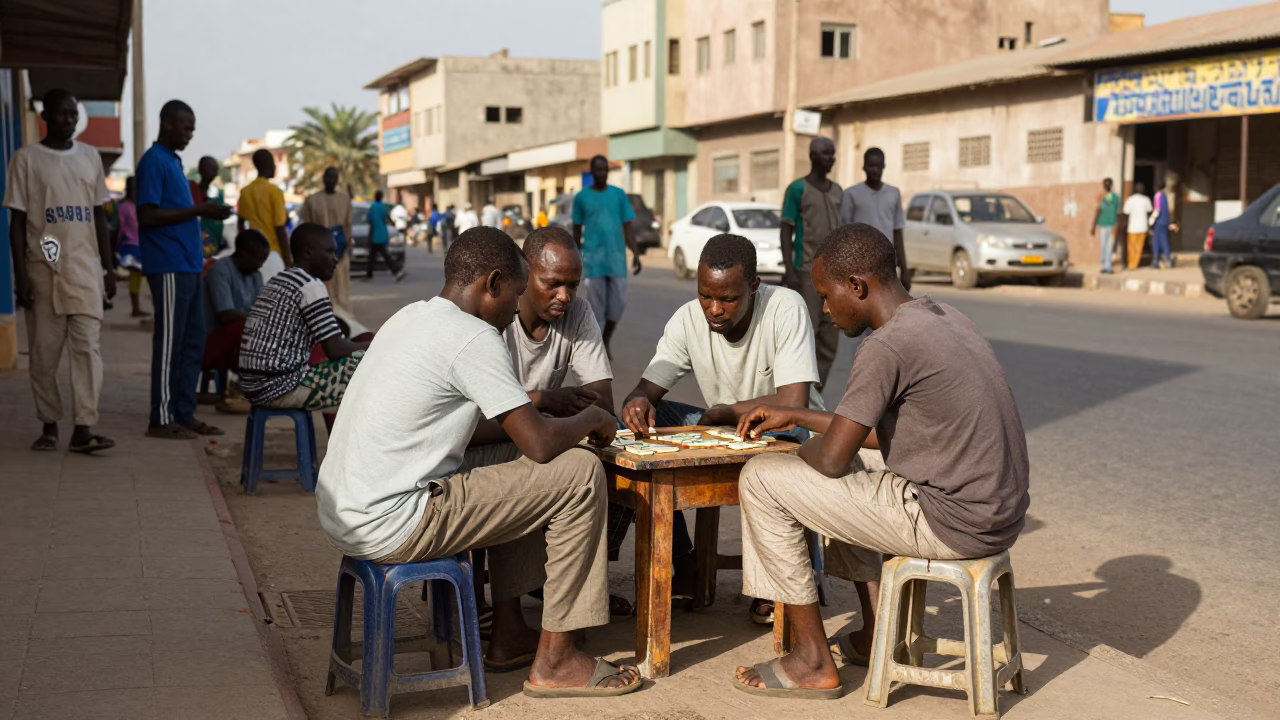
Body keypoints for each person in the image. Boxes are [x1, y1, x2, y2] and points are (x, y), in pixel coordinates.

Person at [316, 226, 641, 698]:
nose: (514, 308)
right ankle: (557, 659)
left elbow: (503, 437)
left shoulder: (413, 316)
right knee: (580, 471)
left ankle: (509, 633)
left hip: (346, 512)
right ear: (491, 284)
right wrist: (593, 417)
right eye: (514, 294)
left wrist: (548, 411)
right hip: (395, 521)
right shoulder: (472, 336)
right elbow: (542, 446)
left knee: (517, 462)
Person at [728, 223, 1030, 697]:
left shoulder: (886, 346)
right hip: (997, 516)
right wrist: (793, 413)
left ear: (858, 286)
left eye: (827, 296)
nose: (824, 310)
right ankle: (874, 636)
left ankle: (810, 661)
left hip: (952, 523)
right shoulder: (943, 318)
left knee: (763, 479)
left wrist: (788, 447)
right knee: (857, 474)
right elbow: (867, 432)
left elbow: (830, 459)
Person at [619, 233, 822, 623]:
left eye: (728, 299)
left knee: (772, 456)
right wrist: (637, 402)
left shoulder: (784, 308)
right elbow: (647, 387)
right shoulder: (687, 319)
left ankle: (777, 582)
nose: (714, 309)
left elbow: (793, 407)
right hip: (724, 425)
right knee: (633, 432)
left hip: (786, 433)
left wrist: (726, 412)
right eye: (705, 296)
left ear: (754, 286)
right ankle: (685, 563)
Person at [489, 226, 631, 616]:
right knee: (554, 468)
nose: (564, 296)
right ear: (524, 273)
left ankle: (570, 580)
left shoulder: (579, 311)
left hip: (539, 432)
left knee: (618, 462)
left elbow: (602, 403)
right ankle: (528, 608)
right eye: (553, 284)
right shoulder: (498, 315)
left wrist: (546, 412)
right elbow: (486, 415)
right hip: (496, 437)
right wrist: (544, 400)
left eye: (573, 284)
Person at [4, 88, 117, 453]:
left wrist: (108, 267)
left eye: (73, 115)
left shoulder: (90, 157)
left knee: (87, 349)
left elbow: (99, 214)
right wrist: (21, 276)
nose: (69, 121)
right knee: (44, 354)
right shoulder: (26, 159)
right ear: (46, 117)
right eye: (62, 114)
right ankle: (49, 423)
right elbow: (17, 221)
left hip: (85, 270)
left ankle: (84, 427)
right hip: (43, 269)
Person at [137, 99, 231, 439]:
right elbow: (147, 215)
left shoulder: (174, 163)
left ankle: (183, 412)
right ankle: (161, 417)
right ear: (166, 124)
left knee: (193, 343)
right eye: (185, 127)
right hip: (169, 265)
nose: (190, 134)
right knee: (170, 344)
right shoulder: (153, 162)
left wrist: (203, 210)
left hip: (189, 265)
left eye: (192, 128)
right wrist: (197, 211)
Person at [237, 223, 368, 410]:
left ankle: (340, 435)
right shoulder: (310, 286)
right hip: (279, 387)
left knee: (352, 365)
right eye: (330, 252)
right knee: (374, 364)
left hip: (255, 386)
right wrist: (381, 342)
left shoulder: (280, 279)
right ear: (308, 253)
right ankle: (360, 438)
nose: (336, 259)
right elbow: (336, 349)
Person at [781, 136, 842, 388]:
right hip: (807, 271)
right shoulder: (797, 190)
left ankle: (817, 393)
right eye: (826, 153)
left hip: (836, 274)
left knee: (831, 336)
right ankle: (799, 393)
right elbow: (786, 229)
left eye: (833, 153)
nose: (831, 158)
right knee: (808, 333)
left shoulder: (838, 191)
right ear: (813, 156)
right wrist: (790, 270)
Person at [573, 155, 641, 355]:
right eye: (598, 170)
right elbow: (577, 230)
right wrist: (574, 258)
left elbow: (628, 226)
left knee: (617, 306)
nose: (602, 173)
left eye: (605, 170)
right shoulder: (581, 198)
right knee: (595, 310)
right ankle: (595, 347)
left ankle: (605, 339)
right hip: (594, 262)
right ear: (591, 172)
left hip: (616, 262)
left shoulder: (618, 195)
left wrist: (636, 252)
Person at [201, 229, 270, 410]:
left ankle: (251, 386)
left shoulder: (255, 275)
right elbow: (225, 314)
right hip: (209, 339)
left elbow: (261, 311)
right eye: (258, 259)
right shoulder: (220, 270)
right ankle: (242, 387)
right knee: (244, 327)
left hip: (235, 339)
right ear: (245, 253)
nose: (260, 265)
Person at [840, 147, 910, 290]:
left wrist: (904, 268)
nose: (875, 170)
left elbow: (897, 232)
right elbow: (844, 234)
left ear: (883, 166)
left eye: (878, 166)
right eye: (871, 166)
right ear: (864, 167)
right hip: (859, 265)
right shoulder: (851, 194)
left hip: (886, 264)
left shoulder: (893, 193)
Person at [299, 167, 354, 315]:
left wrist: (348, 246)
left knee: (342, 288)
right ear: (323, 178)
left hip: (340, 253)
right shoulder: (312, 200)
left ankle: (345, 319)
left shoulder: (345, 200)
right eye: (328, 176)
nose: (330, 180)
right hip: (319, 253)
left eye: (333, 177)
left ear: (337, 179)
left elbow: (348, 226)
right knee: (322, 289)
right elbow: (306, 226)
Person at [238, 149, 291, 277]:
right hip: (272, 254)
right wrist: (288, 261)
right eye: (273, 163)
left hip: (252, 257)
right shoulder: (275, 192)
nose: (274, 167)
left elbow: (241, 224)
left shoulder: (245, 192)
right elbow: (280, 228)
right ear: (267, 165)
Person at [116, 176, 148, 317]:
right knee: (137, 274)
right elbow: (120, 228)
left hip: (142, 246)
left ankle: (136, 308)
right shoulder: (123, 207)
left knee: (137, 277)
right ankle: (135, 307)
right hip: (130, 246)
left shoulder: (142, 206)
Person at [189, 156, 228, 259]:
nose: (214, 173)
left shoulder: (217, 193)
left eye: (215, 170)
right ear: (201, 170)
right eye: (211, 169)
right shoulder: (192, 191)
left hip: (214, 241)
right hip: (197, 241)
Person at [365, 190, 406, 282]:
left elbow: (370, 220)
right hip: (383, 234)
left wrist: (369, 236)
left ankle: (395, 271)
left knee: (375, 256)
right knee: (380, 255)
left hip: (375, 235)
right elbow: (387, 218)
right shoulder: (383, 207)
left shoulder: (373, 206)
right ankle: (394, 271)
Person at [1091, 177, 1121, 273]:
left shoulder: (1115, 198)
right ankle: (1103, 265)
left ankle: (1108, 266)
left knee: (1109, 246)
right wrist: (1093, 225)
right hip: (1103, 224)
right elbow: (1097, 210)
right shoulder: (1100, 197)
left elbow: (1118, 213)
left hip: (1112, 224)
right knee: (1104, 245)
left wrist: (1117, 225)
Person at [1150, 175, 1179, 270]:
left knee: (1157, 242)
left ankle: (1156, 261)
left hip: (1159, 222)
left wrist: (1151, 221)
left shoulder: (1157, 196)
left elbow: (1157, 209)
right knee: (1164, 241)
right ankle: (1167, 260)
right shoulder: (1164, 196)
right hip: (1165, 221)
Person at [1122, 183, 1153, 271]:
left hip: (1133, 227)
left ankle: (1132, 264)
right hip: (1142, 226)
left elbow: (1126, 212)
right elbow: (1149, 211)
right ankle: (1134, 263)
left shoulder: (1131, 200)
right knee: (1139, 247)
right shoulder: (1146, 200)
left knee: (1132, 247)